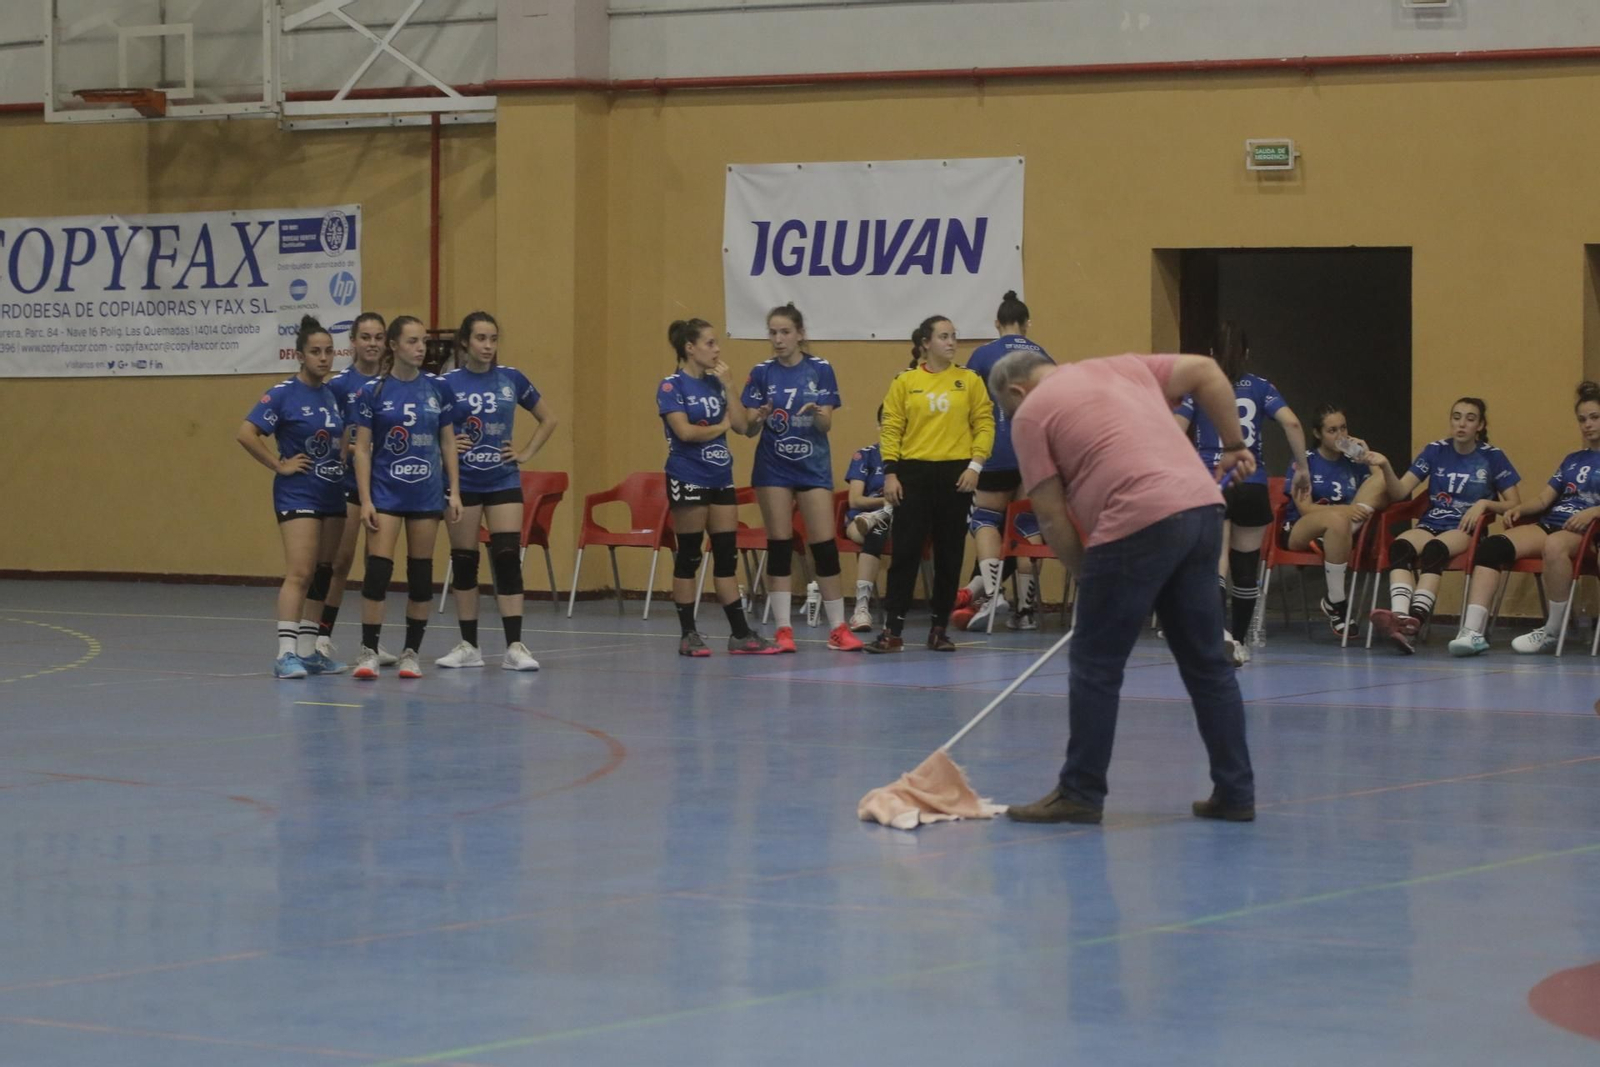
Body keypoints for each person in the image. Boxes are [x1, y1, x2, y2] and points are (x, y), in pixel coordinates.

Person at [991, 349, 1257, 824]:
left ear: (1016, 391)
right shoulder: (1122, 366)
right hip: (1201, 508)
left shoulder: (1030, 413)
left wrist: (1085, 575)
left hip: (1135, 519)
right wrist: (1235, 445)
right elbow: (1208, 371)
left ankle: (1080, 792)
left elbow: (1050, 515)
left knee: (1095, 663)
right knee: (1206, 663)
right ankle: (1235, 792)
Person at [1174, 322, 1309, 663]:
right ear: (1247, 354)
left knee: (1215, 563)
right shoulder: (1262, 387)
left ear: (1209, 354)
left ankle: (1218, 634)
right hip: (1252, 482)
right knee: (1246, 566)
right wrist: (1302, 468)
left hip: (1214, 481)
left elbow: (1176, 430)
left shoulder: (1198, 387)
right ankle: (1239, 640)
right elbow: (1291, 423)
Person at [863, 316, 994, 654]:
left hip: (956, 476)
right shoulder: (905, 382)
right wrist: (891, 472)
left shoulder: (969, 380)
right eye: (943, 336)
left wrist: (975, 465)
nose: (951, 342)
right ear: (925, 343)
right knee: (906, 552)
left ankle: (939, 628)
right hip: (914, 474)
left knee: (950, 554)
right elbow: (891, 427)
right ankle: (893, 630)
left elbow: (984, 424)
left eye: (954, 336)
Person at [436, 311, 556, 672]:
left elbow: (548, 418)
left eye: (493, 339)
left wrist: (524, 453)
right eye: (480, 339)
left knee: (507, 558)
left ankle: (514, 646)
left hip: (503, 479)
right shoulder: (447, 383)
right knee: (465, 561)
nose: (488, 346)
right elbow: (427, 428)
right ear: (465, 343)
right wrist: (446, 446)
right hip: (463, 482)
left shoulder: (511, 379)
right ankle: (469, 645)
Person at [739, 304, 863, 652]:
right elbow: (748, 429)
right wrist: (759, 417)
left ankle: (838, 628)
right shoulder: (761, 372)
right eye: (773, 333)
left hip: (812, 465)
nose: (778, 340)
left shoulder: (820, 369)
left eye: (785, 332)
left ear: (800, 334)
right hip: (773, 466)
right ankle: (782, 630)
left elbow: (826, 425)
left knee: (823, 545)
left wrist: (820, 414)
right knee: (779, 544)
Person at [350, 316, 465, 679]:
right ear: (394, 346)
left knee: (420, 575)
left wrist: (455, 491)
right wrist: (366, 499)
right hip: (385, 494)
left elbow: (448, 442)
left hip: (426, 495)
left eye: (423, 343)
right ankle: (369, 651)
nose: (420, 349)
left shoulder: (437, 389)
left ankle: (411, 652)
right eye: (413, 342)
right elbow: (363, 449)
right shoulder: (373, 392)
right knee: (378, 573)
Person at [236, 316, 350, 679]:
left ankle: (308, 649)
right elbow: (247, 433)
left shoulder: (334, 394)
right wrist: (278, 465)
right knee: (300, 571)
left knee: (323, 572)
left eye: (329, 351)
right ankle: (285, 653)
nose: (323, 358)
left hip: (332, 491)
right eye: (315, 352)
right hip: (298, 492)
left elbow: (342, 440)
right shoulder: (284, 393)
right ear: (300, 356)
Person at [659, 318, 778, 656]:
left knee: (726, 556)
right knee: (691, 554)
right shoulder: (672, 386)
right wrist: (722, 424)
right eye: (710, 343)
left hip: (720, 476)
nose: (717, 349)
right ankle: (688, 634)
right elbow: (685, 433)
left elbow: (741, 427)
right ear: (690, 348)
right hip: (688, 476)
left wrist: (729, 389)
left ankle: (740, 634)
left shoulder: (715, 383)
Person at [1370, 397, 1521, 654]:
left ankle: (1415, 619)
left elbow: (1514, 503)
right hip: (1432, 521)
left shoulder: (1492, 457)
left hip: (1464, 528)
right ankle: (1399, 617)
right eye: (1456, 417)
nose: (1461, 424)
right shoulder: (1435, 450)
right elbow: (1400, 491)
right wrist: (1385, 466)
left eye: (1470, 418)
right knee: (1400, 547)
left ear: (1480, 425)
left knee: (1434, 550)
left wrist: (1485, 503)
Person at [1464, 383, 1600, 655]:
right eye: (1582, 419)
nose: (1587, 425)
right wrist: (1519, 510)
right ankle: (1471, 632)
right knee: (1492, 546)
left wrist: (1594, 511)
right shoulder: (1573, 459)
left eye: (1594, 417)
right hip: (1555, 522)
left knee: (1554, 545)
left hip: (1589, 530)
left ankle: (1553, 629)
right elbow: (1543, 500)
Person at [951, 290, 1055, 632]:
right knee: (1027, 526)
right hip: (1035, 453)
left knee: (986, 519)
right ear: (1027, 324)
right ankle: (1025, 612)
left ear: (997, 323)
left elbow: (963, 399)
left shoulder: (983, 355)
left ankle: (993, 596)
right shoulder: (1044, 356)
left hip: (997, 450)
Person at [315, 312, 398, 668]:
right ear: (353, 342)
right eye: (365, 337)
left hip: (387, 486)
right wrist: (347, 449)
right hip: (348, 484)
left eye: (378, 337)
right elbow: (328, 432)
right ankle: (321, 636)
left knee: (376, 563)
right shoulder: (339, 385)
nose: (373, 343)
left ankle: (371, 643)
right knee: (340, 561)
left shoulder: (396, 382)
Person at [1278, 404, 1404, 637]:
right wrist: (1348, 511)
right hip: (1301, 529)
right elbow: (1305, 508)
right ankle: (1338, 603)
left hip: (1343, 531)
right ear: (1317, 433)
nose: (1341, 436)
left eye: (1344, 429)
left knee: (1373, 486)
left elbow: (1383, 488)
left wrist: (1367, 458)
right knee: (1337, 520)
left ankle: (1334, 602)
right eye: (1332, 430)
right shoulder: (1306, 460)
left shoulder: (1353, 463)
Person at [844, 408, 892, 632]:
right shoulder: (865, 455)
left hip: (899, 522)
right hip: (859, 521)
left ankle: (861, 608)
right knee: (873, 529)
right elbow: (855, 500)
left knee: (879, 527)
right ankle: (861, 610)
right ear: (879, 427)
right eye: (886, 423)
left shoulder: (913, 459)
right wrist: (885, 502)